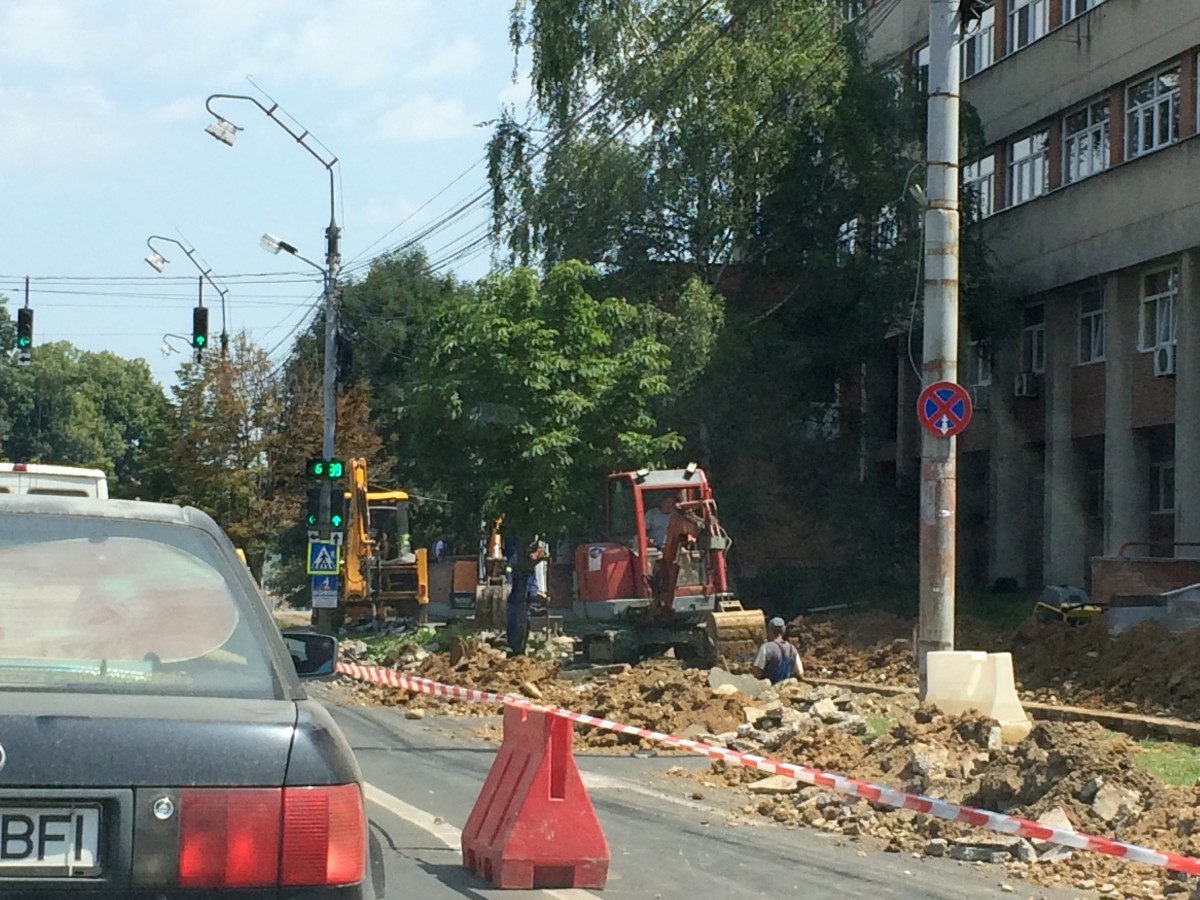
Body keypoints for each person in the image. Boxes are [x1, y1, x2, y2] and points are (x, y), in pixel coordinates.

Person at [506, 536, 549, 657]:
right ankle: (514, 649)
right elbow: (514, 564)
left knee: (523, 618)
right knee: (517, 617)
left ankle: (519, 649)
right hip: (519, 592)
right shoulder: (515, 547)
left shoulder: (529, 542)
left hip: (526, 590)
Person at [750, 617, 804, 684]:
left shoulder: (766, 647)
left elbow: (758, 672)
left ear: (770, 631)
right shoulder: (792, 649)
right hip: (786, 687)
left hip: (770, 687)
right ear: (783, 631)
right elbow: (800, 674)